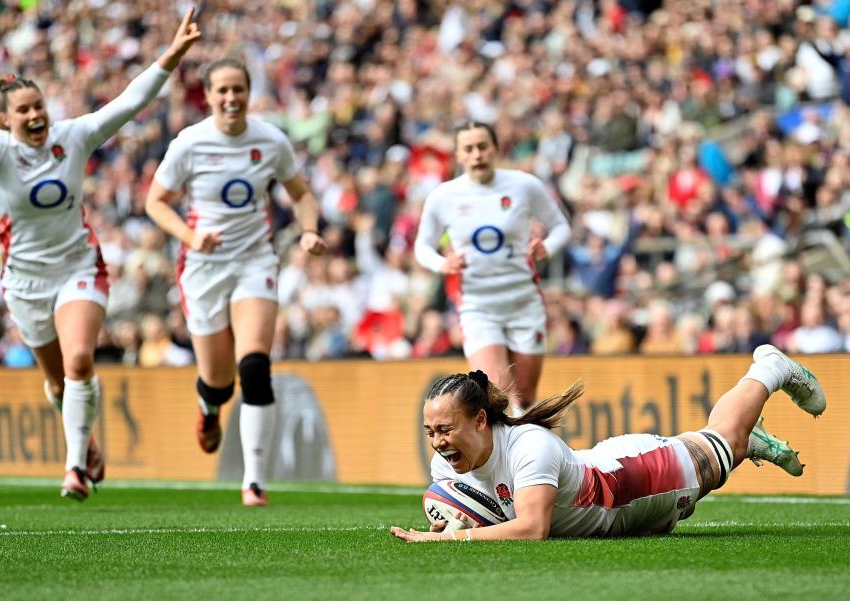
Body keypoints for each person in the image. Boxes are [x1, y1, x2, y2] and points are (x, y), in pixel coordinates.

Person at [0, 10, 200, 501]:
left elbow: (129, 103)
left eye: (39, 106)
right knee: (60, 384)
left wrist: (170, 55)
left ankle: (74, 467)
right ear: (6, 119)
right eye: (24, 111)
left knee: (79, 359)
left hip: (78, 268)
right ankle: (88, 443)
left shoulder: (73, 137)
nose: (36, 116)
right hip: (25, 283)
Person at [391, 344, 825, 542]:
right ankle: (753, 443)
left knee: (722, 442)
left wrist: (450, 541)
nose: (438, 443)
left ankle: (770, 367)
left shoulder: (527, 445)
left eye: (446, 430)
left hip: (634, 484)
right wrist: (456, 521)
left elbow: (532, 529)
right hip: (607, 492)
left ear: (481, 420)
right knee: (723, 451)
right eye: (430, 432)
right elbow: (489, 511)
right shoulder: (446, 466)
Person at [145, 58, 326, 507]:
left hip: (254, 261)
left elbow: (301, 193)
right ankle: (210, 408)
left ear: (249, 92)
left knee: (254, 368)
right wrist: (190, 236)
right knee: (221, 382)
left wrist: (308, 230)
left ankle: (254, 481)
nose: (230, 99)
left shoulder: (270, 140)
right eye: (221, 91)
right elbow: (156, 202)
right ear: (207, 97)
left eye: (238, 90)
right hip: (203, 269)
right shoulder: (190, 143)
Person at [414, 122, 570, 413]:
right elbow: (422, 247)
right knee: (495, 395)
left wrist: (546, 246)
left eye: (483, 147)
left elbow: (561, 226)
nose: (477, 155)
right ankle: (504, 459)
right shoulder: (443, 196)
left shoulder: (524, 185)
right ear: (459, 155)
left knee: (524, 399)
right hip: (478, 305)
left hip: (523, 302)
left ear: (495, 149)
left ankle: (528, 453)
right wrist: (442, 263)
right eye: (469, 149)